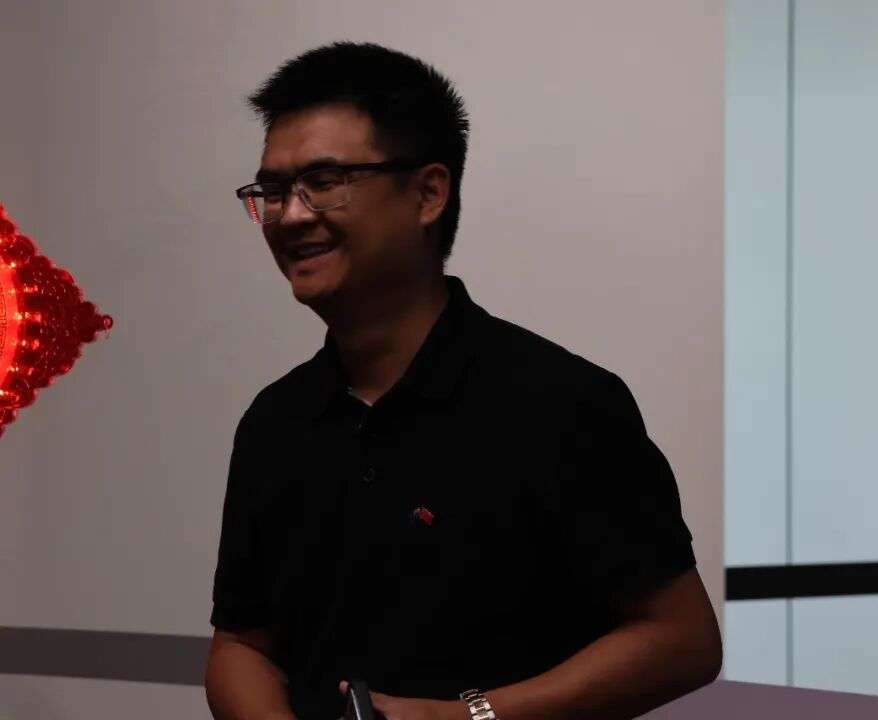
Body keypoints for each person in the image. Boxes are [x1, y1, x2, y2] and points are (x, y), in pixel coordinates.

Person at [204, 41, 722, 720]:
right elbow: (242, 644)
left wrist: (467, 717)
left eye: (324, 182)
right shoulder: (276, 421)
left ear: (428, 193)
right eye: (273, 192)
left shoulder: (559, 403)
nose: (292, 215)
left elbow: (682, 640)